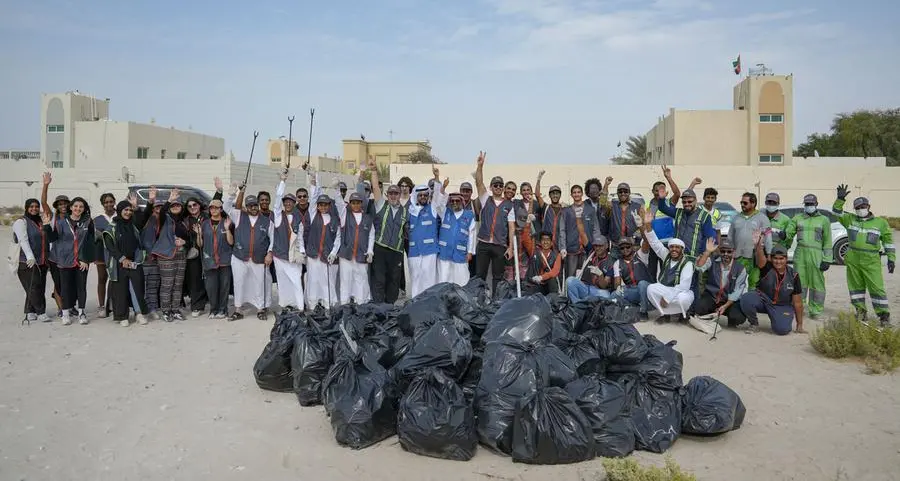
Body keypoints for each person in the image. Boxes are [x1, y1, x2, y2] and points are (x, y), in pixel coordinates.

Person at [833, 185, 894, 327]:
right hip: (853, 259)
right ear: (855, 209)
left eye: (863, 206)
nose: (861, 209)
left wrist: (891, 258)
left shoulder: (880, 223)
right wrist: (840, 199)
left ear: (869, 206)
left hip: (871, 260)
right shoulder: (850, 219)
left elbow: (888, 242)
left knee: (876, 288)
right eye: (858, 207)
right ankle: (861, 312)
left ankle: (883, 316)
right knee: (855, 288)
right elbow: (836, 212)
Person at [224, 188, 274, 320]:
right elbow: (226, 206)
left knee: (260, 283)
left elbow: (273, 240)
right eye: (250, 205)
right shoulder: (239, 216)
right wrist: (235, 193)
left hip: (259, 258)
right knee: (239, 283)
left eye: (255, 205)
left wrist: (269, 253)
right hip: (240, 256)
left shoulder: (267, 221)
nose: (253, 208)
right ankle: (238, 310)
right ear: (246, 206)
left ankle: (260, 308)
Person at [44, 196, 95, 325]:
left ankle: (81, 313)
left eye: (81, 206)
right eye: (76, 206)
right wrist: (46, 226)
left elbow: (90, 242)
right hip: (64, 260)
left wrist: (85, 259)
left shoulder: (88, 221)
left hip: (81, 261)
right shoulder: (61, 222)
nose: (78, 208)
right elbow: (52, 238)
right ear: (71, 207)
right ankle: (65, 313)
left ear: (84, 209)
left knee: (81, 287)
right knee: (65, 287)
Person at [739, 238, 804, 335]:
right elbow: (760, 258)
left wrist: (799, 325)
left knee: (782, 330)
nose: (778, 261)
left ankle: (777, 318)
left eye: (781, 258)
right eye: (775, 258)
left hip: (782, 305)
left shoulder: (794, 275)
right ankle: (754, 324)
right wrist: (759, 246)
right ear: (771, 258)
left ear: (786, 259)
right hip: (763, 300)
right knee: (746, 298)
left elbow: (797, 302)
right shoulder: (767, 267)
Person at [640, 210, 694, 323]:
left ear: (682, 250)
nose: (674, 249)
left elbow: (684, 286)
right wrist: (648, 225)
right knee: (651, 289)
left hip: (680, 291)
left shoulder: (687, 263)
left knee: (683, 298)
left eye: (677, 247)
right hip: (666, 288)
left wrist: (668, 297)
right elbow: (655, 243)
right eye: (672, 247)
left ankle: (682, 315)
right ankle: (664, 314)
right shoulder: (666, 256)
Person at [151, 190, 196, 322]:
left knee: (178, 284)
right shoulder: (164, 219)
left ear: (182, 208)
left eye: (178, 205)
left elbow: (190, 238)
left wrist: (185, 242)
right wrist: (170, 200)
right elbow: (163, 211)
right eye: (173, 206)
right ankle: (165, 310)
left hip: (181, 255)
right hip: (166, 255)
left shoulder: (184, 221)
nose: (175, 207)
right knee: (167, 284)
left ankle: (175, 309)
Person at [102, 199, 149, 326]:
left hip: (134, 262)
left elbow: (146, 215)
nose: (128, 212)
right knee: (120, 290)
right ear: (119, 211)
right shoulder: (111, 227)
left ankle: (139, 313)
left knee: (136, 288)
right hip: (118, 264)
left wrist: (146, 203)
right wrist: (122, 259)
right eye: (125, 210)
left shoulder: (133, 225)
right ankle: (122, 316)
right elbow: (110, 246)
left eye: (130, 210)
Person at [473, 151, 515, 292]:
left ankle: (496, 303)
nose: (498, 187)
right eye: (495, 185)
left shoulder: (509, 205)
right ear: (491, 187)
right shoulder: (486, 199)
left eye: (500, 185)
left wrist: (510, 247)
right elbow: (479, 182)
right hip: (484, 243)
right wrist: (480, 166)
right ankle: (479, 300)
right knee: (480, 275)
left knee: (498, 276)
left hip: (499, 245)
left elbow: (511, 228)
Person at [368, 160, 408, 304]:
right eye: (390, 193)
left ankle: (390, 307)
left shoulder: (405, 212)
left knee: (394, 281)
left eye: (396, 193)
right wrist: (374, 171)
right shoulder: (381, 205)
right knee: (379, 279)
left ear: (399, 195)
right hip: (380, 248)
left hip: (396, 251)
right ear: (387, 194)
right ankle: (379, 307)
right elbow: (375, 188)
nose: (393, 196)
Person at [788, 194, 832, 319]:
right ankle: (798, 307)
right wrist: (784, 234)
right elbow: (789, 232)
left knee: (817, 284)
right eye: (807, 204)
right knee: (799, 283)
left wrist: (827, 259)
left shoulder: (824, 220)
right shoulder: (797, 218)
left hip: (816, 255)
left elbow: (828, 241)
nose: (809, 206)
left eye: (811, 204)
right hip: (800, 254)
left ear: (816, 204)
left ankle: (815, 310)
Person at [407, 166, 447, 297]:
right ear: (416, 196)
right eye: (421, 195)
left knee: (429, 280)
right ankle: (414, 305)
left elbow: (438, 197)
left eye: (425, 195)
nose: (423, 197)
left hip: (429, 251)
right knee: (416, 280)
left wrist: (436, 178)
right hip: (414, 252)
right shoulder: (409, 210)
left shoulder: (433, 208)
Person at [271, 171, 307, 311]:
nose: (287, 204)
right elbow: (277, 198)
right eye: (285, 202)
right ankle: (286, 306)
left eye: (290, 202)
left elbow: (301, 239)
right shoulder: (278, 216)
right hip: (280, 256)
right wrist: (282, 182)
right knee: (283, 283)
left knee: (297, 282)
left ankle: (300, 307)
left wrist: (302, 252)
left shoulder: (299, 219)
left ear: (294, 204)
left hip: (294, 258)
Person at [693, 238, 748, 327]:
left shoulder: (740, 268)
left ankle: (731, 321)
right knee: (699, 307)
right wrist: (707, 252)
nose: (725, 254)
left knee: (738, 317)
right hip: (712, 297)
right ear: (719, 252)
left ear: (733, 252)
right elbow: (699, 267)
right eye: (723, 251)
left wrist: (725, 306)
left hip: (729, 301)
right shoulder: (713, 260)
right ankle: (709, 316)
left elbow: (738, 291)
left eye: (729, 252)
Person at [14, 198, 50, 324]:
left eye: (36, 206)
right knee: (34, 286)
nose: (34, 208)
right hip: (26, 261)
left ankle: (30, 311)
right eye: (31, 206)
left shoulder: (40, 221)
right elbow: (23, 240)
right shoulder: (21, 222)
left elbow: (46, 239)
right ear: (26, 207)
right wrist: (30, 256)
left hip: (42, 261)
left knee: (37, 287)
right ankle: (41, 312)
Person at [304, 194, 341, 309]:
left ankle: (327, 304)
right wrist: (314, 184)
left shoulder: (335, 220)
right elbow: (313, 197)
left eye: (325, 205)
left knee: (327, 281)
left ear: (329, 206)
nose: (323, 207)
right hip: (313, 255)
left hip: (327, 256)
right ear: (317, 206)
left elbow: (338, 238)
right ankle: (313, 305)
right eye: (321, 205)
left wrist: (333, 253)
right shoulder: (313, 214)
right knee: (313, 281)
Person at [337, 192, 375, 304]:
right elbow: (339, 204)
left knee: (361, 280)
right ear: (350, 204)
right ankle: (345, 304)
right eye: (353, 203)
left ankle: (361, 304)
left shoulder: (368, 219)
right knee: (345, 281)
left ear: (361, 204)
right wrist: (337, 190)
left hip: (361, 255)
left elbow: (371, 235)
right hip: (346, 255)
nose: (355, 205)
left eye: (358, 203)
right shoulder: (345, 216)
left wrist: (370, 251)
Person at [198, 199, 234, 319]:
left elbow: (231, 242)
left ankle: (223, 310)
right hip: (209, 260)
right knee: (211, 287)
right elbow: (200, 244)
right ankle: (213, 310)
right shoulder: (204, 224)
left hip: (224, 259)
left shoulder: (227, 222)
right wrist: (198, 233)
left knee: (224, 286)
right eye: (212, 208)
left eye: (216, 208)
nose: (214, 210)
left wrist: (228, 229)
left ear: (221, 209)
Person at [730, 192, 772, 289]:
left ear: (753, 204)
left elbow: (768, 238)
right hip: (738, 257)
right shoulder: (736, 218)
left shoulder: (762, 218)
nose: (742, 205)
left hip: (754, 258)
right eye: (741, 202)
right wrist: (730, 252)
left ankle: (751, 302)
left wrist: (769, 254)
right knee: (737, 282)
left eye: (745, 203)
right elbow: (730, 237)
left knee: (753, 282)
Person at [559, 184, 601, 278]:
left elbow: (596, 229)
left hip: (587, 249)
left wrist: (596, 245)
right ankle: (569, 293)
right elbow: (562, 230)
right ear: (571, 195)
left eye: (578, 192)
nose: (576, 194)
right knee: (571, 277)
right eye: (574, 192)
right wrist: (563, 247)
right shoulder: (566, 211)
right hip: (572, 249)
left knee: (586, 276)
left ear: (582, 194)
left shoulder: (590, 210)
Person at [39, 172, 66, 316]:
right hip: (55, 255)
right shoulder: (53, 216)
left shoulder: (72, 217)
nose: (63, 206)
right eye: (60, 204)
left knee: (67, 282)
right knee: (58, 282)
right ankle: (61, 308)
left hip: (68, 254)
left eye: (65, 203)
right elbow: (43, 203)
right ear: (57, 205)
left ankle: (67, 306)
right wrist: (45, 185)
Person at [438, 192, 476, 286]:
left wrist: (470, 251)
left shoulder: (469, 215)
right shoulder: (445, 212)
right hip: (445, 252)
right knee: (444, 280)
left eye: (457, 201)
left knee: (462, 281)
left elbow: (472, 234)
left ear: (462, 202)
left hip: (461, 253)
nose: (454, 203)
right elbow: (438, 204)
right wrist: (442, 189)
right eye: (452, 201)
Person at [137, 192, 164, 321]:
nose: (158, 210)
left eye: (161, 208)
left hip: (158, 258)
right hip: (146, 257)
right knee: (144, 285)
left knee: (154, 285)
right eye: (156, 207)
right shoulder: (147, 220)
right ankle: (143, 309)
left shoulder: (164, 221)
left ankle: (153, 308)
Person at [565, 234, 615, 302]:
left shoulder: (611, 262)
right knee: (570, 280)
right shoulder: (591, 251)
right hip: (585, 287)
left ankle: (585, 301)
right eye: (596, 246)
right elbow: (582, 232)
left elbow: (604, 286)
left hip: (598, 291)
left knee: (606, 295)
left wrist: (600, 275)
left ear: (606, 246)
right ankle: (576, 305)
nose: (597, 248)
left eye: (600, 246)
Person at [612, 237, 651, 319]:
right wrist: (619, 285)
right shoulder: (617, 263)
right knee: (614, 294)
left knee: (642, 284)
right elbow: (617, 286)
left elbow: (646, 242)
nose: (625, 249)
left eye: (628, 247)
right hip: (633, 290)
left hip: (647, 289)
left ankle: (644, 312)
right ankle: (634, 306)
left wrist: (641, 226)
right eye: (622, 248)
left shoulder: (640, 255)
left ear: (632, 246)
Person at [183, 196, 209, 317]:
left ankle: (208, 301)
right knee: (194, 279)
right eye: (189, 206)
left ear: (199, 205)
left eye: (195, 205)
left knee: (208, 278)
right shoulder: (186, 220)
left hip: (209, 251)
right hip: (193, 252)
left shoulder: (207, 216)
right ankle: (197, 306)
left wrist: (219, 191)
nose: (192, 207)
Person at [603, 181, 643, 258]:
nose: (623, 193)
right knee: (615, 268)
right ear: (617, 193)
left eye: (625, 191)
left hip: (632, 247)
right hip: (616, 246)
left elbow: (644, 225)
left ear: (629, 192)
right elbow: (602, 202)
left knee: (632, 269)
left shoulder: (638, 207)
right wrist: (606, 185)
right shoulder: (612, 205)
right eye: (620, 191)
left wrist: (636, 236)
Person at [93, 192, 116, 318]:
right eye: (106, 202)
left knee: (115, 279)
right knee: (102, 278)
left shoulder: (121, 216)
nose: (109, 204)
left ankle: (112, 304)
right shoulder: (97, 220)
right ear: (103, 204)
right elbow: (94, 237)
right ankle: (101, 306)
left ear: (114, 202)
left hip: (116, 253)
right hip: (101, 253)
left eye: (111, 201)